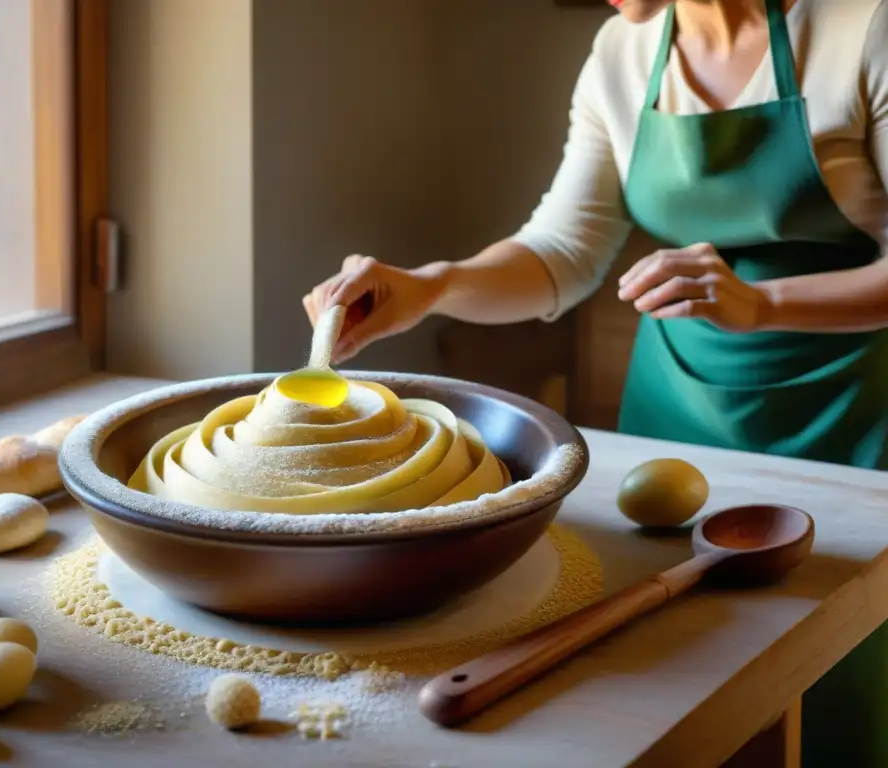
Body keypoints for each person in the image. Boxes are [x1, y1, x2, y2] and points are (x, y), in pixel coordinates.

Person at [303, 0, 888, 763]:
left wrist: (762, 303)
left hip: (855, 415)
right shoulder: (623, 49)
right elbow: (563, 250)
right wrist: (432, 285)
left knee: (843, 677)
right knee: (687, 676)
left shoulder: (862, 27)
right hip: (679, 410)